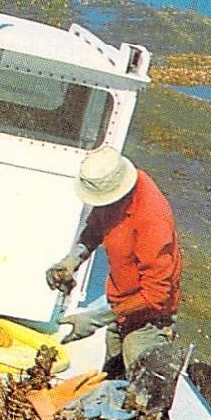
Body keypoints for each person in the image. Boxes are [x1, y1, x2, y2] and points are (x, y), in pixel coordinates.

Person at [46, 147, 182, 377]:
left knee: (140, 388)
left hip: (149, 320)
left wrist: (95, 319)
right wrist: (71, 261)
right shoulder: (111, 192)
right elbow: (94, 230)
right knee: (111, 376)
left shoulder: (152, 220)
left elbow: (156, 294)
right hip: (119, 308)